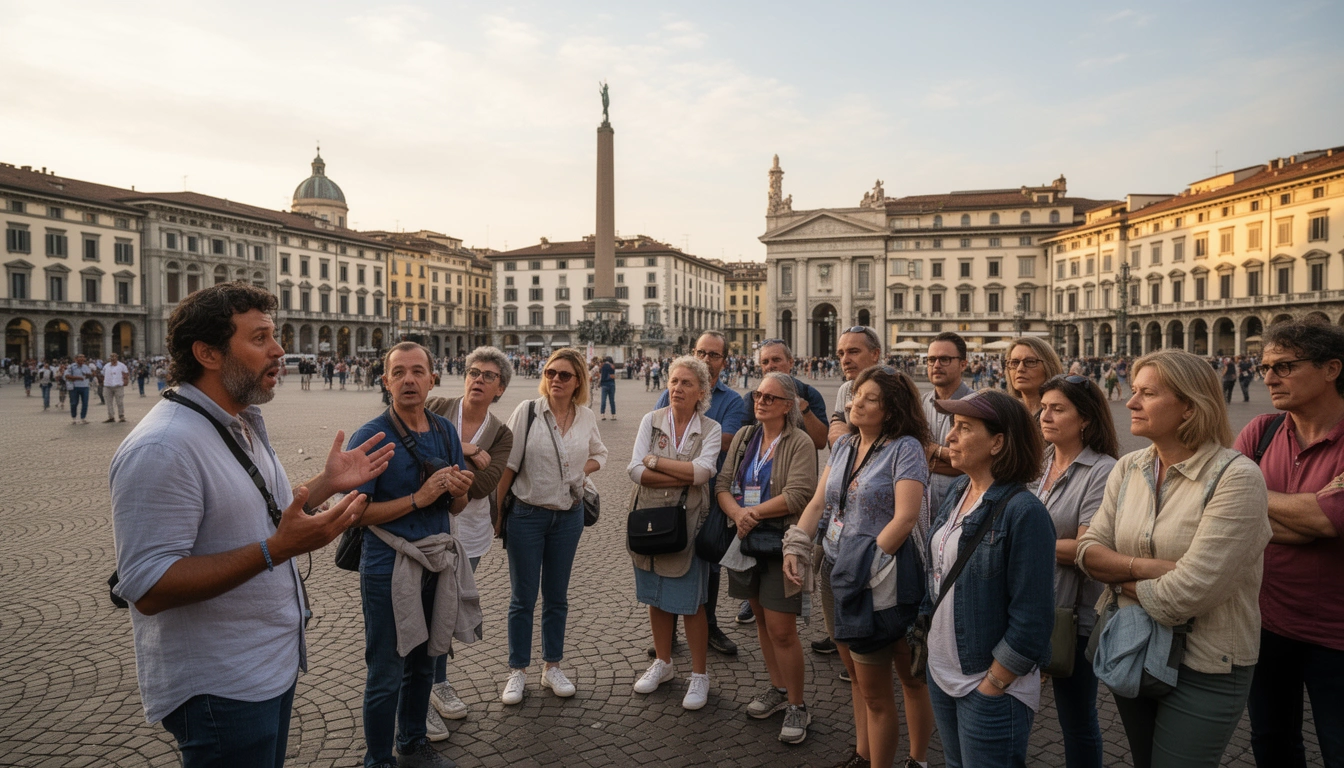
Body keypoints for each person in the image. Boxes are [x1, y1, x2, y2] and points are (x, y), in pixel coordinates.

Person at [110, 282, 387, 768]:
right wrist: (274, 551)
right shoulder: (163, 447)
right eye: (260, 338)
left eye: (274, 335)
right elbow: (148, 586)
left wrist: (326, 483)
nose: (279, 350)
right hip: (221, 687)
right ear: (208, 353)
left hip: (266, 665)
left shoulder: (238, 420)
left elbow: (267, 510)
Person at [1076, 349, 1271, 768]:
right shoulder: (1128, 467)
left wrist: (1117, 578)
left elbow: (1185, 595)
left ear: (1189, 406)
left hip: (1205, 662)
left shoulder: (1237, 477)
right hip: (1130, 644)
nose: (1130, 402)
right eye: (1134, 390)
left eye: (1147, 393)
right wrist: (1145, 569)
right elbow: (1088, 553)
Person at [786, 366, 935, 768]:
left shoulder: (905, 448)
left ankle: (917, 759)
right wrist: (796, 545)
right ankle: (863, 751)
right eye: (856, 396)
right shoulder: (844, 446)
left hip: (885, 578)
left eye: (870, 399)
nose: (856, 403)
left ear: (891, 410)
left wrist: (866, 566)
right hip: (839, 573)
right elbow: (819, 505)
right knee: (860, 677)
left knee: (909, 676)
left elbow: (904, 518)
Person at [349, 342, 476, 768]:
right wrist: (420, 498)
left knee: (426, 660)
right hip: (389, 562)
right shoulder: (370, 436)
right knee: (386, 670)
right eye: (399, 372)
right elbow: (357, 513)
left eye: (417, 371)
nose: (409, 379)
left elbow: (456, 506)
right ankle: (378, 759)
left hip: (437, 561)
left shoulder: (443, 430)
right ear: (385, 381)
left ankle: (413, 741)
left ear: (432, 379)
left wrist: (457, 494)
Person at [920, 389, 1055, 768]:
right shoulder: (961, 489)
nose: (949, 437)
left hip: (989, 683)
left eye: (963, 428)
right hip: (943, 671)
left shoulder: (1025, 513)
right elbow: (938, 574)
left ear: (998, 442)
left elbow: (1032, 619)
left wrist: (994, 684)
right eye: (953, 426)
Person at [1232, 322, 1344, 768]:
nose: (1269, 378)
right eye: (1265, 367)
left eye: (1285, 367)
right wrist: (1314, 514)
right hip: (1265, 624)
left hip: (1337, 636)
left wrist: (1256, 501)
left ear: (1331, 368)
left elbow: (1329, 521)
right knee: (1272, 743)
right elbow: (1227, 513)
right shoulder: (1260, 430)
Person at [497, 348, 608, 705]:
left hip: (568, 516)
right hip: (527, 515)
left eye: (564, 375)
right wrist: (497, 515)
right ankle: (517, 670)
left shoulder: (587, 416)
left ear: (578, 382)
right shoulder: (527, 411)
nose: (555, 380)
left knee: (557, 596)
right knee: (522, 597)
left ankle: (552, 666)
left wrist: (581, 472)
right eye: (550, 373)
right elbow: (509, 465)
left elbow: (600, 453)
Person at [421, 347, 516, 739]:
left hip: (470, 535)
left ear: (500, 388)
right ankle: (417, 695)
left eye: (489, 376)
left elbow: (479, 487)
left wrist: (445, 456)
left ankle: (438, 682)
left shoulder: (501, 433)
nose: (478, 379)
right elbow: (414, 454)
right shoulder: (438, 404)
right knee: (420, 608)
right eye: (474, 372)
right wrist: (467, 450)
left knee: (448, 607)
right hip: (422, 526)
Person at [719, 373, 817, 741]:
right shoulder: (746, 437)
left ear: (788, 406)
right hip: (745, 541)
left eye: (770, 398)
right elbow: (723, 484)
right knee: (760, 618)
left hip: (778, 543)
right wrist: (737, 514)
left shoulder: (800, 442)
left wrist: (753, 514)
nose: (760, 401)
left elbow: (799, 495)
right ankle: (777, 690)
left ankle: (797, 704)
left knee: (782, 629)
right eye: (758, 395)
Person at [1035, 374, 1120, 768]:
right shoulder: (1041, 461)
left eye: (1058, 408)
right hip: (1029, 605)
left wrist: (1024, 544)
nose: (1045, 415)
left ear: (1085, 418)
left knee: (1077, 718)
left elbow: (1088, 548)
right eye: (1044, 407)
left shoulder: (1103, 471)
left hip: (1073, 615)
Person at [628, 356, 722, 710]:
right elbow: (635, 470)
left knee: (691, 600)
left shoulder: (710, 428)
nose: (677, 388)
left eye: (686, 383)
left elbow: (703, 473)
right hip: (650, 516)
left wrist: (656, 462)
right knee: (655, 592)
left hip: (690, 522)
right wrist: (679, 472)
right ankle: (663, 662)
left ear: (701, 391)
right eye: (673, 381)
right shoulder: (650, 421)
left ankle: (700, 674)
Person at [653, 331, 748, 656]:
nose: (706, 359)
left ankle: (709, 627)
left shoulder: (732, 400)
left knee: (708, 564)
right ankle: (670, 634)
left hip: (710, 493)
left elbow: (729, 440)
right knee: (668, 557)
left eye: (713, 355)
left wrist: (684, 438)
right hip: (668, 494)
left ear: (724, 360)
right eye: (701, 352)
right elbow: (654, 430)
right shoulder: (673, 391)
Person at [922, 332, 972, 516]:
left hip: (960, 512)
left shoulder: (977, 406)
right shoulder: (919, 405)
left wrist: (934, 450)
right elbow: (912, 457)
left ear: (963, 364)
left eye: (944, 359)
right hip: (922, 514)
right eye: (931, 359)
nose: (936, 365)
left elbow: (974, 463)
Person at [827, 326, 884, 448]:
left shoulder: (895, 388)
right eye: (841, 354)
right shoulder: (845, 389)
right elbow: (835, 440)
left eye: (853, 352)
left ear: (875, 354)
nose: (845, 360)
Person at [1004, 337, 1062, 420]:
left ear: (1048, 367)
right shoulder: (1005, 413)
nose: (1020, 369)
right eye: (1015, 362)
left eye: (1030, 362)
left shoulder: (1061, 414)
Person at [65, 353, 94, 424]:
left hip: (85, 387)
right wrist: (77, 378)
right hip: (74, 387)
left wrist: (90, 375)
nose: (82, 359)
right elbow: (67, 376)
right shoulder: (71, 367)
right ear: (76, 359)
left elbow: (90, 375)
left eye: (83, 357)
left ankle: (83, 418)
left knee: (85, 403)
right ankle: (74, 418)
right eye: (80, 357)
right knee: (74, 403)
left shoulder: (86, 367)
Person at [102, 352, 131, 423]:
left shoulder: (122, 366)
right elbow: (103, 374)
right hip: (107, 386)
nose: (112, 359)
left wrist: (126, 381)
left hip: (118, 386)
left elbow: (126, 374)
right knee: (109, 402)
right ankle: (111, 417)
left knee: (119, 402)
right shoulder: (106, 366)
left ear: (117, 358)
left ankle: (121, 416)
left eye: (114, 357)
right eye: (111, 357)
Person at [599, 356, 617, 420]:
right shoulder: (612, 366)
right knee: (612, 400)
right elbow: (613, 376)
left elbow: (601, 374)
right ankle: (613, 414)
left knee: (603, 400)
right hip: (611, 384)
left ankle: (602, 414)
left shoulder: (602, 366)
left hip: (604, 384)